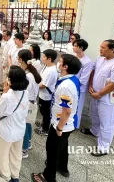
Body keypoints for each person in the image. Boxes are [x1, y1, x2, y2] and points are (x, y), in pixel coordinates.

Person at [32, 54, 81, 182]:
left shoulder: (66, 86)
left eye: (60, 62)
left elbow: (66, 111)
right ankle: (62, 167)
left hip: (61, 124)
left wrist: (59, 128)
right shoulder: (72, 79)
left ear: (65, 66)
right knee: (62, 146)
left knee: (52, 149)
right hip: (66, 124)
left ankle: (48, 176)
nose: (58, 63)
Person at [81, 39, 114, 156]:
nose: (100, 49)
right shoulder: (100, 58)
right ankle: (94, 131)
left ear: (112, 49)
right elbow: (93, 71)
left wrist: (100, 94)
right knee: (94, 114)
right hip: (95, 93)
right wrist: (90, 85)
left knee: (107, 123)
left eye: (103, 47)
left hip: (107, 99)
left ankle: (104, 147)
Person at [0, 66, 29, 182]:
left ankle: (6, 177)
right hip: (19, 129)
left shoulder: (7, 97)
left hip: (6, 132)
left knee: (3, 155)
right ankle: (15, 175)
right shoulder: (25, 92)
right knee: (16, 154)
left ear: (10, 81)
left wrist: (4, 92)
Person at [18, 49, 42, 159]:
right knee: (28, 124)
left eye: (18, 58)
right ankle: (28, 142)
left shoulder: (28, 76)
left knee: (24, 125)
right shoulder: (32, 72)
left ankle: (24, 149)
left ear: (21, 59)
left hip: (27, 103)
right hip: (32, 102)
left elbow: (24, 91)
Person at [35, 49, 58, 136]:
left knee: (45, 112)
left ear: (49, 59)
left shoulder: (51, 71)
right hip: (42, 94)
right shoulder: (46, 66)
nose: (42, 58)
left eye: (44, 57)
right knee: (43, 110)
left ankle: (45, 129)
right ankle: (44, 123)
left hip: (46, 95)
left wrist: (35, 87)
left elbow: (44, 85)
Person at [73, 39, 93, 129]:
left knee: (77, 107)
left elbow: (83, 79)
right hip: (70, 85)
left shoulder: (87, 61)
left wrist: (74, 85)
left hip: (79, 88)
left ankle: (75, 125)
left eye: (75, 46)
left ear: (81, 48)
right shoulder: (73, 57)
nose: (73, 47)